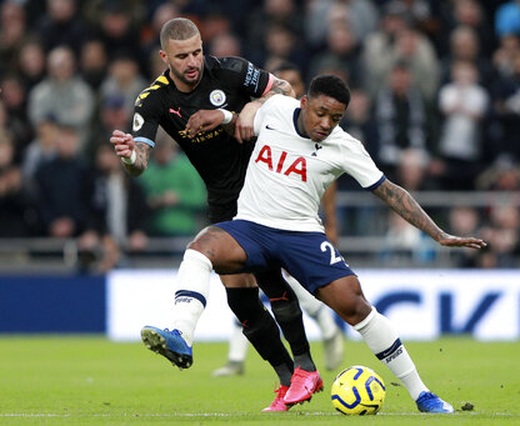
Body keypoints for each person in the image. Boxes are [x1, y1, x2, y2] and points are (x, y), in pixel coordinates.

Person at [171, 74, 487, 414]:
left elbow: (391, 191)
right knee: (200, 247)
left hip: (301, 235)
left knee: (355, 306)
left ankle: (422, 394)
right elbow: (244, 119)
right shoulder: (276, 109)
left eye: (335, 118)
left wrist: (438, 234)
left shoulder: (345, 146)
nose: (326, 124)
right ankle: (181, 333)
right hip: (252, 227)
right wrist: (225, 115)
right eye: (320, 113)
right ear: (304, 103)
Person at [109, 17, 321, 412]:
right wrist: (128, 159)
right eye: (182, 56)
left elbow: (288, 91)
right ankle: (288, 377)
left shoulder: (232, 70)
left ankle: (306, 366)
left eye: (197, 51)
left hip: (263, 186)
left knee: (271, 279)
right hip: (223, 200)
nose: (193, 62)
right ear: (164, 57)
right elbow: (140, 162)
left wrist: (251, 108)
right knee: (241, 302)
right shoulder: (152, 100)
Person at [213, 62, 344, 377]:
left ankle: (327, 329)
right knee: (254, 284)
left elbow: (328, 184)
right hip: (260, 213)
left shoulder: (316, 132)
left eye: (295, 83)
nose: (290, 89)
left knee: (295, 288)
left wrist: (331, 221)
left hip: (298, 223)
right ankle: (236, 357)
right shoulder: (269, 118)